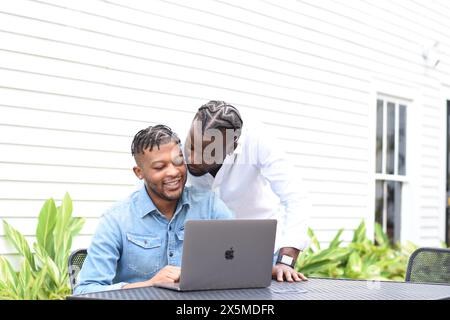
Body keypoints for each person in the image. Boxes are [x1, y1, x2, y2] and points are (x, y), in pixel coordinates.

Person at [74, 125, 233, 295]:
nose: (173, 172)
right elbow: (85, 290)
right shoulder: (116, 220)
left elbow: (240, 262)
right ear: (139, 172)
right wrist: (150, 284)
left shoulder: (210, 205)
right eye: (159, 167)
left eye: (178, 161)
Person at [184, 100, 311, 282]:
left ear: (232, 147)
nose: (193, 159)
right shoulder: (182, 138)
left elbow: (296, 197)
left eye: (208, 153)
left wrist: (286, 260)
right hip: (205, 255)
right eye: (192, 147)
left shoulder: (257, 140)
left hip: (260, 254)